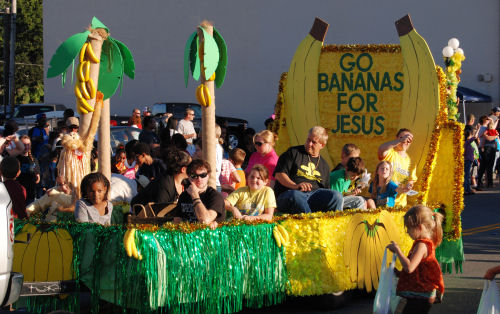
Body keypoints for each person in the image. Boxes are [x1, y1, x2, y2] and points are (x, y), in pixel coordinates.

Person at [387, 205, 445, 314]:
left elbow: (410, 268)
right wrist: (399, 273)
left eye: (409, 228)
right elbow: (420, 270)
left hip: (421, 295)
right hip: (421, 293)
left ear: (419, 228)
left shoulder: (421, 245)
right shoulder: (423, 243)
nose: (407, 232)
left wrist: (397, 250)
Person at [274, 126, 343, 213]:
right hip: (290, 193)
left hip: (313, 196)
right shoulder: (293, 152)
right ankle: (310, 221)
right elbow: (279, 175)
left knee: (336, 196)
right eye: (308, 140)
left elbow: (326, 189)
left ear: (322, 145)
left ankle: (331, 224)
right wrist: (295, 186)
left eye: (314, 142)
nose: (309, 144)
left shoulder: (324, 165)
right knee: (296, 195)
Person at [172, 159, 225, 226]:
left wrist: (195, 196)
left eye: (203, 175)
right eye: (194, 176)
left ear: (208, 175)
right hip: (188, 234)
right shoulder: (184, 195)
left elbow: (205, 221)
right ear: (189, 177)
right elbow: (177, 222)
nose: (199, 179)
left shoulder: (215, 196)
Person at [378, 128, 417, 207]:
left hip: (400, 204)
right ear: (396, 138)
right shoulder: (390, 153)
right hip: (384, 200)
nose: (405, 141)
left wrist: (409, 186)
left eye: (408, 140)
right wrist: (400, 141)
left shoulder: (411, 162)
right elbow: (381, 150)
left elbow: (411, 180)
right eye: (402, 137)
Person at [17, 136, 41, 205]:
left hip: (31, 194)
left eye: (28, 144)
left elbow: (38, 179)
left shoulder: (33, 159)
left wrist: (36, 177)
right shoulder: (15, 159)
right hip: (19, 193)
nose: (26, 147)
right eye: (24, 144)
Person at [477, 116, 498, 189]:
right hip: (486, 149)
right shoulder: (484, 128)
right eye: (487, 119)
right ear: (484, 120)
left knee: (486, 167)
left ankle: (484, 183)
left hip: (488, 148)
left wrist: (493, 120)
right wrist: (495, 136)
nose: (489, 120)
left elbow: (493, 126)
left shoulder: (485, 128)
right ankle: (486, 183)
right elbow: (488, 138)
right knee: (486, 166)